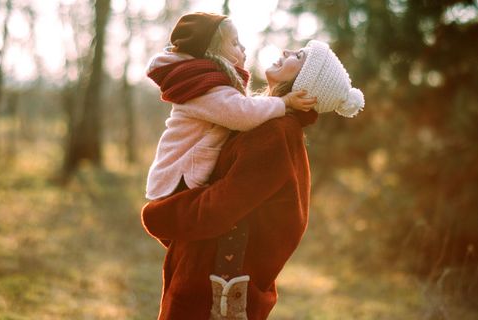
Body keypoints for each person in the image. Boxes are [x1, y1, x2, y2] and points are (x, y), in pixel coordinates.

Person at [142, 40, 365, 319]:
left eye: (299, 56)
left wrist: (160, 215)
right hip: (210, 281)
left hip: (215, 292)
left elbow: (221, 206)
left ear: (306, 85)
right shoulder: (263, 121)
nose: (285, 52)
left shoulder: (275, 133)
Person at [145, 12, 316, 201]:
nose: (243, 47)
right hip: (178, 178)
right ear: (213, 53)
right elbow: (244, 113)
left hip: (182, 176)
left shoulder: (207, 84)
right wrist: (285, 102)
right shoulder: (204, 88)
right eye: (234, 43)